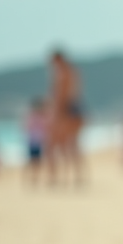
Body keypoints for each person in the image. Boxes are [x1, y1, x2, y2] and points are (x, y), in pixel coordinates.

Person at [47, 50, 85, 186]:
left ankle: (57, 177)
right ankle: (76, 177)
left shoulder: (62, 74)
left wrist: (55, 116)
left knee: (55, 146)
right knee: (71, 146)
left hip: (65, 112)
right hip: (74, 110)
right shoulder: (73, 72)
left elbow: (60, 98)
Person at [23, 97, 47, 185]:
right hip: (34, 142)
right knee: (33, 161)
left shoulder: (34, 116)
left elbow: (26, 128)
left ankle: (34, 178)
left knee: (35, 161)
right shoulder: (33, 116)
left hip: (36, 142)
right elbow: (26, 128)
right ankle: (32, 178)